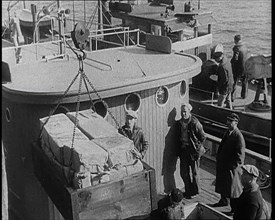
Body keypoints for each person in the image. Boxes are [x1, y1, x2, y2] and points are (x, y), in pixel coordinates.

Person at [213, 113, 246, 215]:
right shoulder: (228, 132)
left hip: (232, 168)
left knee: (232, 190)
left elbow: (240, 155)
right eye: (228, 120)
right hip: (224, 165)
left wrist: (234, 167)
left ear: (236, 123)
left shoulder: (238, 136)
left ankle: (234, 210)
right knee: (224, 185)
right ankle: (223, 201)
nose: (228, 123)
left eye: (230, 121)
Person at [176, 103, 206, 199]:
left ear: (189, 112)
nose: (183, 114)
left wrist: (197, 146)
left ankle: (195, 191)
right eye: (182, 112)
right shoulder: (180, 123)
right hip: (184, 149)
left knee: (194, 172)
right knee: (184, 172)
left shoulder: (195, 123)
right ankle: (188, 190)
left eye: (185, 112)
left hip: (193, 150)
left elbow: (203, 136)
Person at [213, 44, 234, 109]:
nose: (215, 61)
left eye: (216, 59)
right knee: (228, 99)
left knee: (220, 102)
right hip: (230, 83)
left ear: (219, 58)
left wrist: (218, 85)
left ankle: (219, 113)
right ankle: (230, 110)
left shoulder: (222, 67)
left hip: (225, 87)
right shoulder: (226, 60)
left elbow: (224, 79)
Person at [230, 34, 249, 101]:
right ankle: (244, 95)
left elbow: (235, 58)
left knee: (234, 82)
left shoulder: (236, 48)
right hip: (245, 67)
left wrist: (230, 63)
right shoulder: (245, 46)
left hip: (238, 68)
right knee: (245, 82)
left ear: (235, 40)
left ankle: (232, 97)